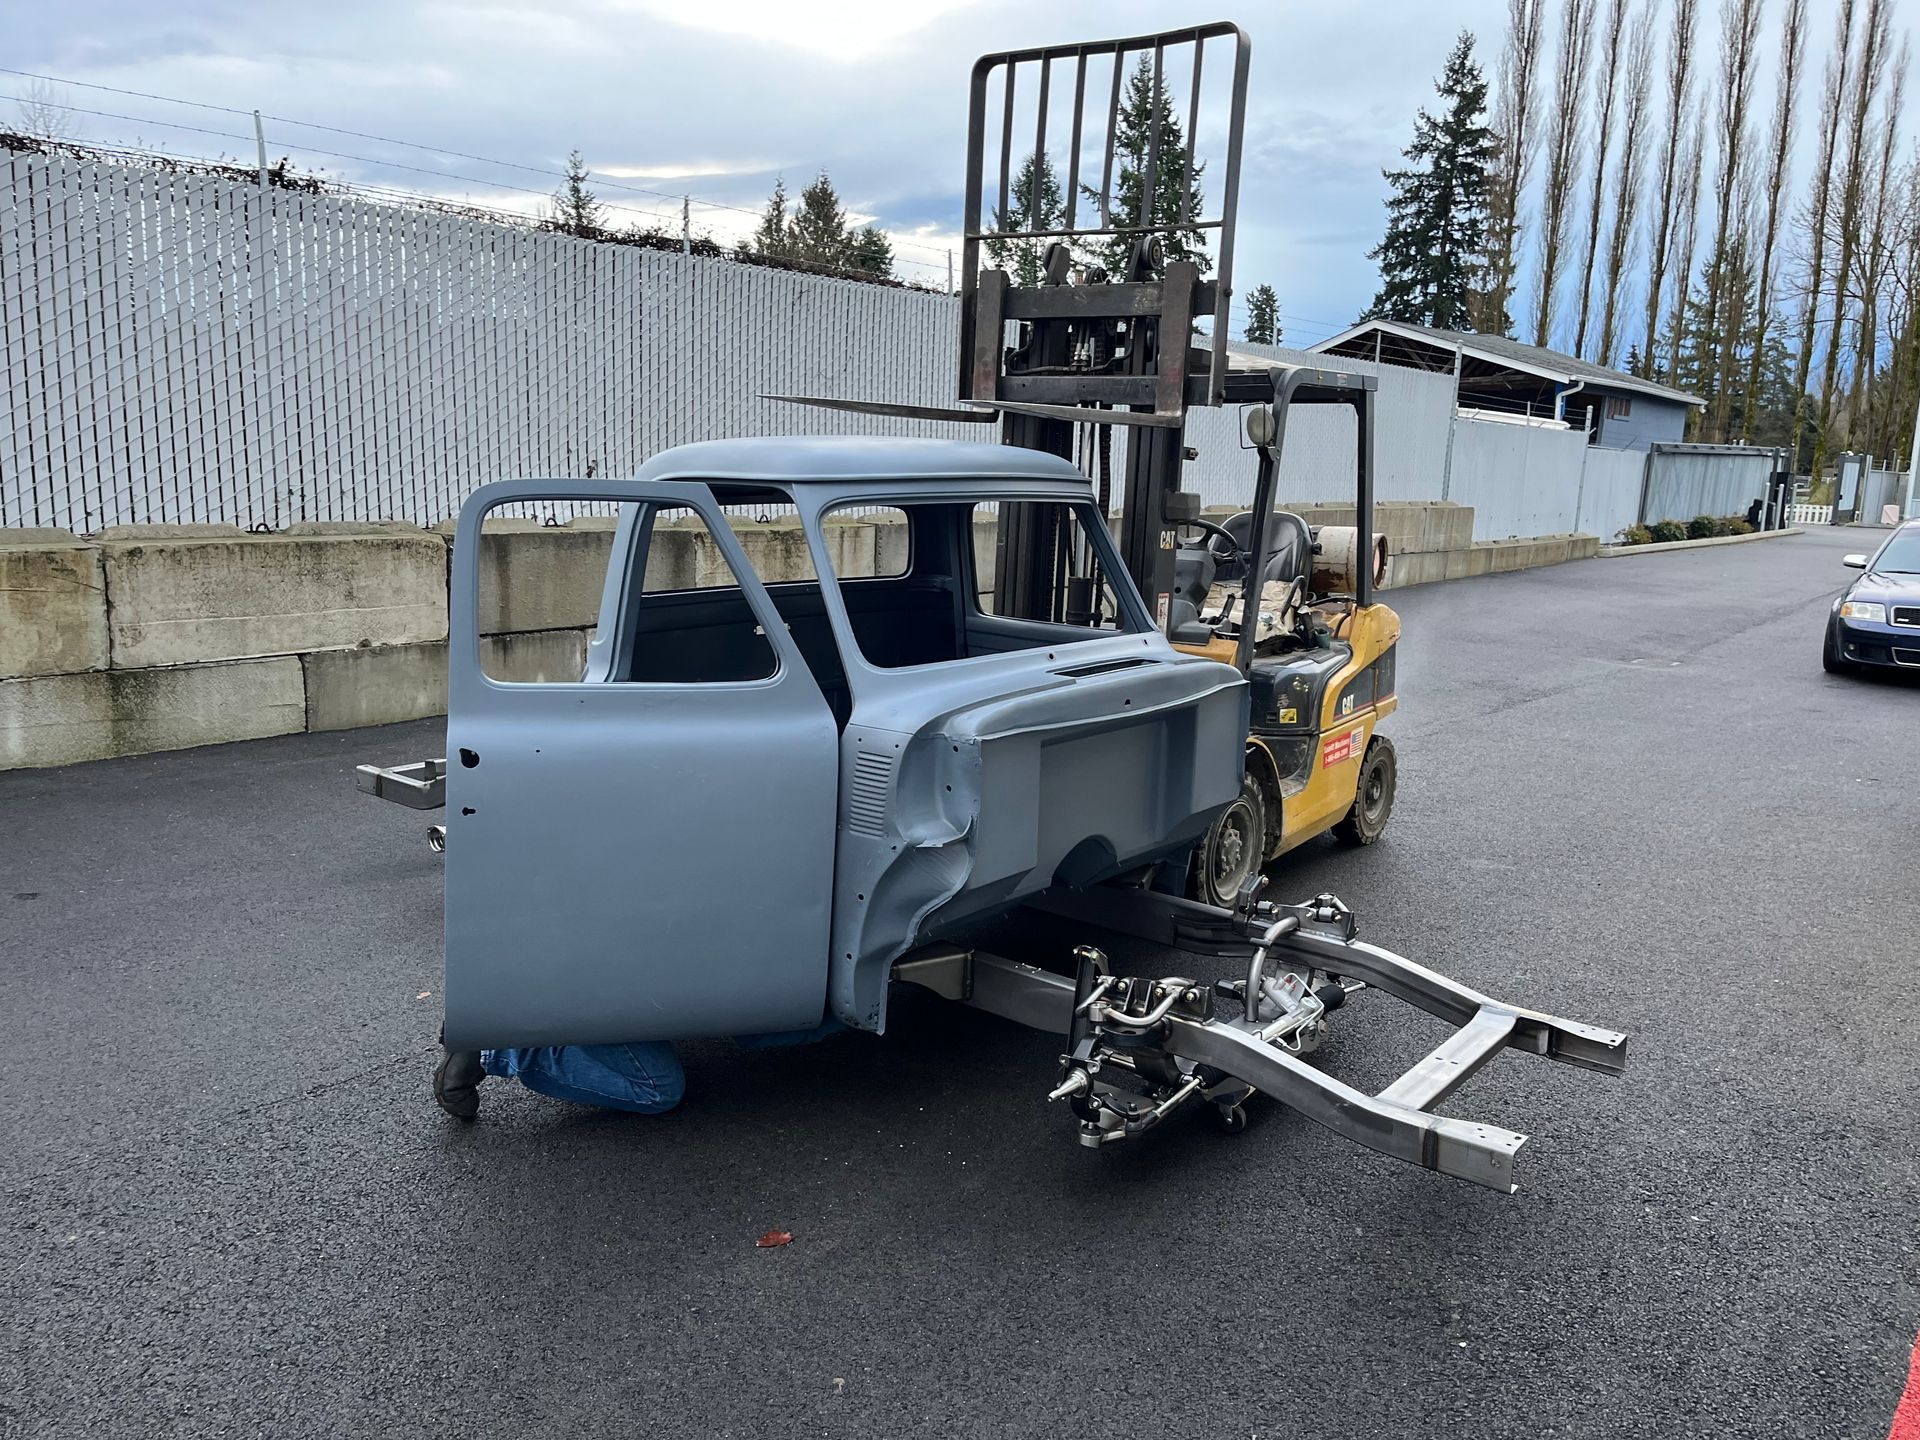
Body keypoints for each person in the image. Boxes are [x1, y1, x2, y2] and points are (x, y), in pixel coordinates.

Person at [433, 1017, 847, 1119]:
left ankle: (499, 1030)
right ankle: (495, 1048)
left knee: (771, 1024)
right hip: (611, 976)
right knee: (656, 1089)